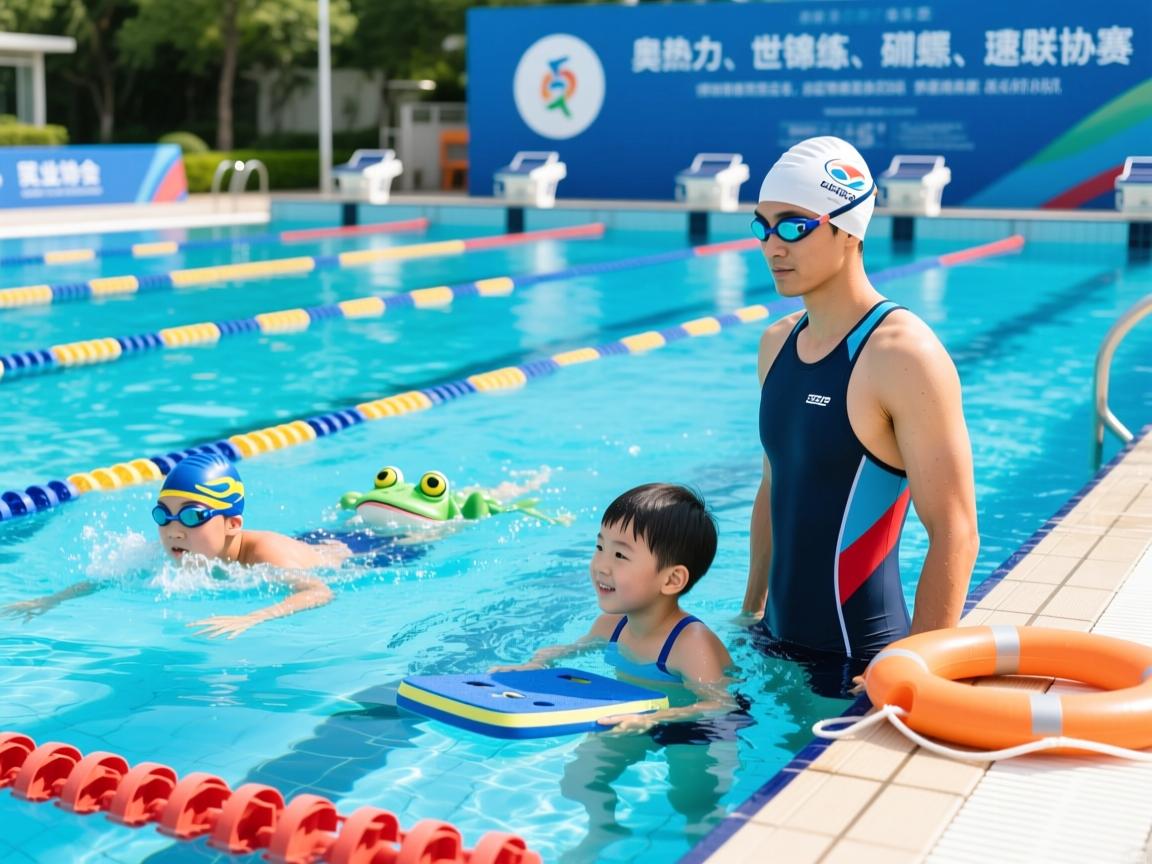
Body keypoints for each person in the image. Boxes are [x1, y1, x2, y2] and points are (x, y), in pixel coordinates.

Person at [741, 136, 979, 691]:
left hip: (857, 663)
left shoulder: (902, 354)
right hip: (772, 645)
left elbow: (955, 531)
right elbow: (774, 486)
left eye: (794, 227)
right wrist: (750, 612)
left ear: (848, 230)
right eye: (763, 227)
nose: (772, 245)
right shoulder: (776, 344)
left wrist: (913, 673)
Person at [3, 452, 349, 638]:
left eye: (191, 516)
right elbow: (107, 579)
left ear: (232, 524)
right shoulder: (172, 547)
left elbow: (319, 592)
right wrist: (51, 600)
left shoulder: (266, 555)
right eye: (163, 515)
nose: (174, 530)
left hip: (355, 552)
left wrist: (253, 617)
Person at [501, 482, 734, 731]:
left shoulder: (691, 645)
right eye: (600, 547)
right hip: (635, 717)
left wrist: (650, 719)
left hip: (696, 729)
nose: (601, 566)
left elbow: (720, 704)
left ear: (671, 580)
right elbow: (567, 650)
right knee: (594, 751)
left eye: (620, 555)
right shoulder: (610, 627)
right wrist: (535, 665)